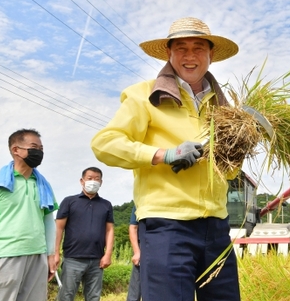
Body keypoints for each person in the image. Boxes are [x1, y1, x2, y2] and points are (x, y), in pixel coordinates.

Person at [91, 17, 241, 301]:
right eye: (181, 48)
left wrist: (234, 154)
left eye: (199, 48)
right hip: (166, 225)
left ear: (211, 55)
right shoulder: (144, 95)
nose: (190, 56)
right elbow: (105, 144)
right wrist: (163, 154)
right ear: (169, 54)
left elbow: (230, 174)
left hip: (217, 226)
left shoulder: (225, 109)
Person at [0, 128, 58, 301]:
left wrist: (51, 255)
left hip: (38, 254)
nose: (39, 152)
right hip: (5, 253)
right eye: (34, 147)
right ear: (16, 150)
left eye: (41, 149)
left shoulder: (43, 185)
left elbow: (48, 221)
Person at [55, 167, 115, 301]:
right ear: (82, 181)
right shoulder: (69, 201)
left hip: (97, 260)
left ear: (101, 182)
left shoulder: (106, 205)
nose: (93, 181)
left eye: (97, 179)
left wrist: (108, 254)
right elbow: (58, 228)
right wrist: (55, 253)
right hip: (72, 259)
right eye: (89, 178)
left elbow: (109, 230)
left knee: (94, 297)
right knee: (66, 295)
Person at [126, 205, 141, 301]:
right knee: (134, 293)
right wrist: (136, 252)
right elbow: (133, 227)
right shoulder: (139, 202)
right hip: (143, 248)